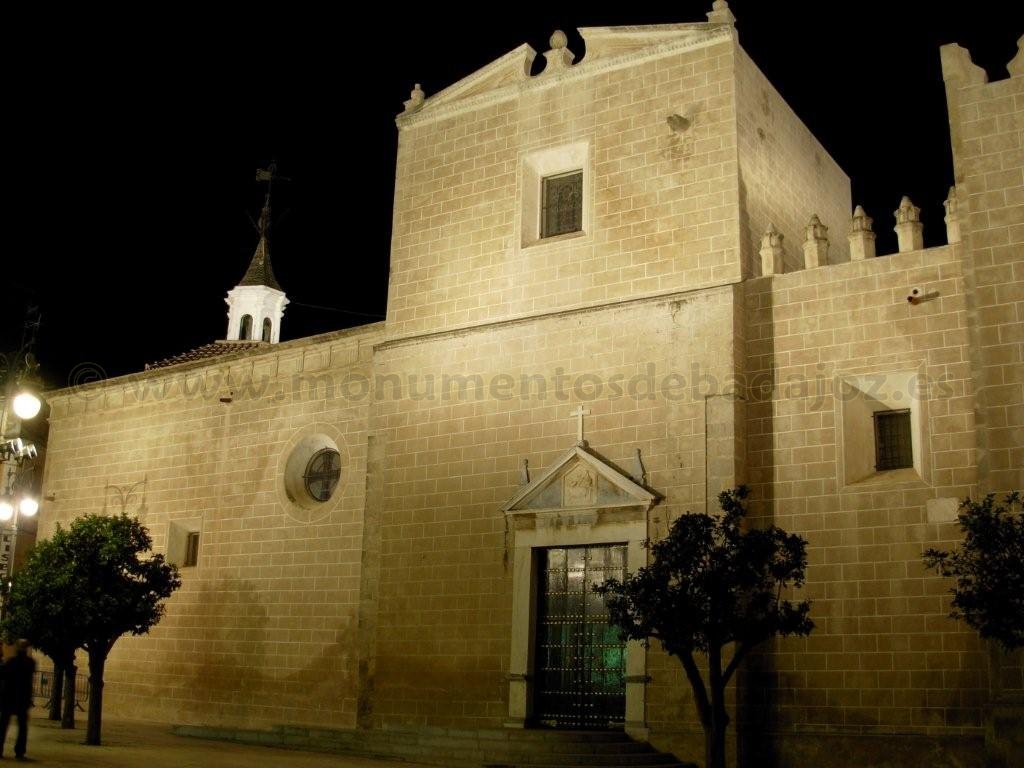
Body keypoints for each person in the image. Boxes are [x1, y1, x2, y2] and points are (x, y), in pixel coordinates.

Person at [0, 640, 35, 761]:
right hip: (22, 699)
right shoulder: (30, 663)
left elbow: (2, 674)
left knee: (3, 726)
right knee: (22, 728)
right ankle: (19, 752)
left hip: (8, 698)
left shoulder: (11, 662)